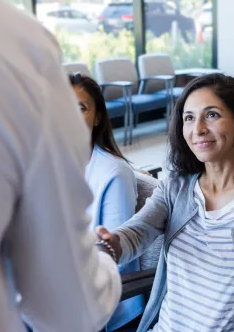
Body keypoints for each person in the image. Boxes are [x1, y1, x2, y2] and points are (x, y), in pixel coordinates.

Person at [95, 74, 234, 332]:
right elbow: (137, 232)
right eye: (189, 118)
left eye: (212, 115)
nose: (198, 129)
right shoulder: (176, 187)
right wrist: (110, 244)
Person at [0, 0, 121, 331]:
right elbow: (66, 305)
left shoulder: (113, 173)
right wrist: (104, 258)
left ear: (97, 116)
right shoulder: (16, 47)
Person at [68, 73, 144, 331]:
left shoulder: (113, 173)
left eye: (81, 108)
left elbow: (115, 255)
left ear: (97, 117)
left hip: (107, 303)